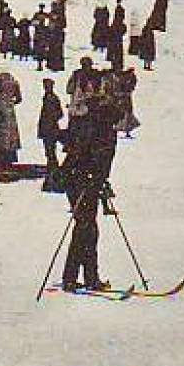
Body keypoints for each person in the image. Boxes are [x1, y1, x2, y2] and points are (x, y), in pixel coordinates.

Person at [56, 96, 116, 292]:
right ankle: (74, 278)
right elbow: (80, 155)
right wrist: (90, 176)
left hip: (85, 181)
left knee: (88, 229)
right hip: (79, 181)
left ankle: (86, 277)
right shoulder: (96, 131)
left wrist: (100, 181)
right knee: (85, 228)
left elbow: (101, 163)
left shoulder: (98, 130)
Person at [37, 78, 65, 189]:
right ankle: (52, 175)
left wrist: (51, 120)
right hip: (47, 128)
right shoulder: (47, 97)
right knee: (49, 153)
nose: (46, 88)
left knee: (51, 154)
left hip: (50, 129)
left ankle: (53, 176)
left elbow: (60, 113)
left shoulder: (53, 98)